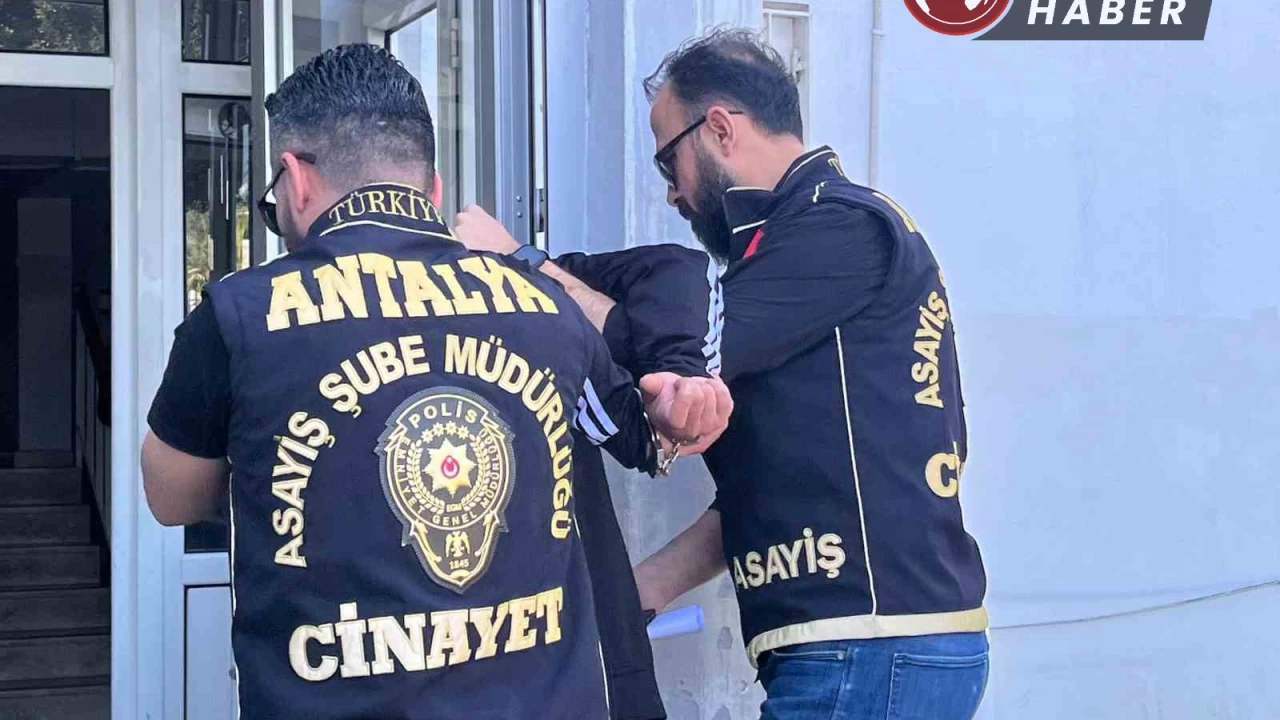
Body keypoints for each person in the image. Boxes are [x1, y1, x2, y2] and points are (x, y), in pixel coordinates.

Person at [140, 44, 730, 720]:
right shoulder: (544, 305)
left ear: (295, 179)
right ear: (435, 189)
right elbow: (648, 427)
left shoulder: (239, 314)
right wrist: (683, 395)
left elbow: (172, 496)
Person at [459, 28, 991, 720]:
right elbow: (768, 492)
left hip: (870, 647)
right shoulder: (798, 244)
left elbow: (678, 356)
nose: (672, 194)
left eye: (667, 161)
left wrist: (523, 267)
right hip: (868, 648)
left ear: (718, 128)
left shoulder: (838, 227)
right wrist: (634, 593)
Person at [453, 207, 725, 720]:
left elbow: (676, 272)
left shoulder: (528, 306)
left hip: (579, 659)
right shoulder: (314, 328)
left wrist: (522, 262)